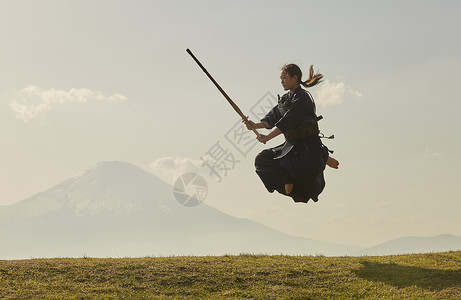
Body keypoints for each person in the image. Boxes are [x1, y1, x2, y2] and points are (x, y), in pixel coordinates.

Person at [244, 64, 339, 203]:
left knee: (288, 163)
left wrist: (267, 138)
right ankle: (287, 180)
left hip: (308, 147)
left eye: (285, 77)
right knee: (262, 159)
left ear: (295, 78)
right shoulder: (285, 99)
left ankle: (322, 157)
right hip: (291, 146)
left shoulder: (303, 98)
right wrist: (254, 125)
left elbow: (288, 121)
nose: (282, 81)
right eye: (281, 78)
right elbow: (271, 120)